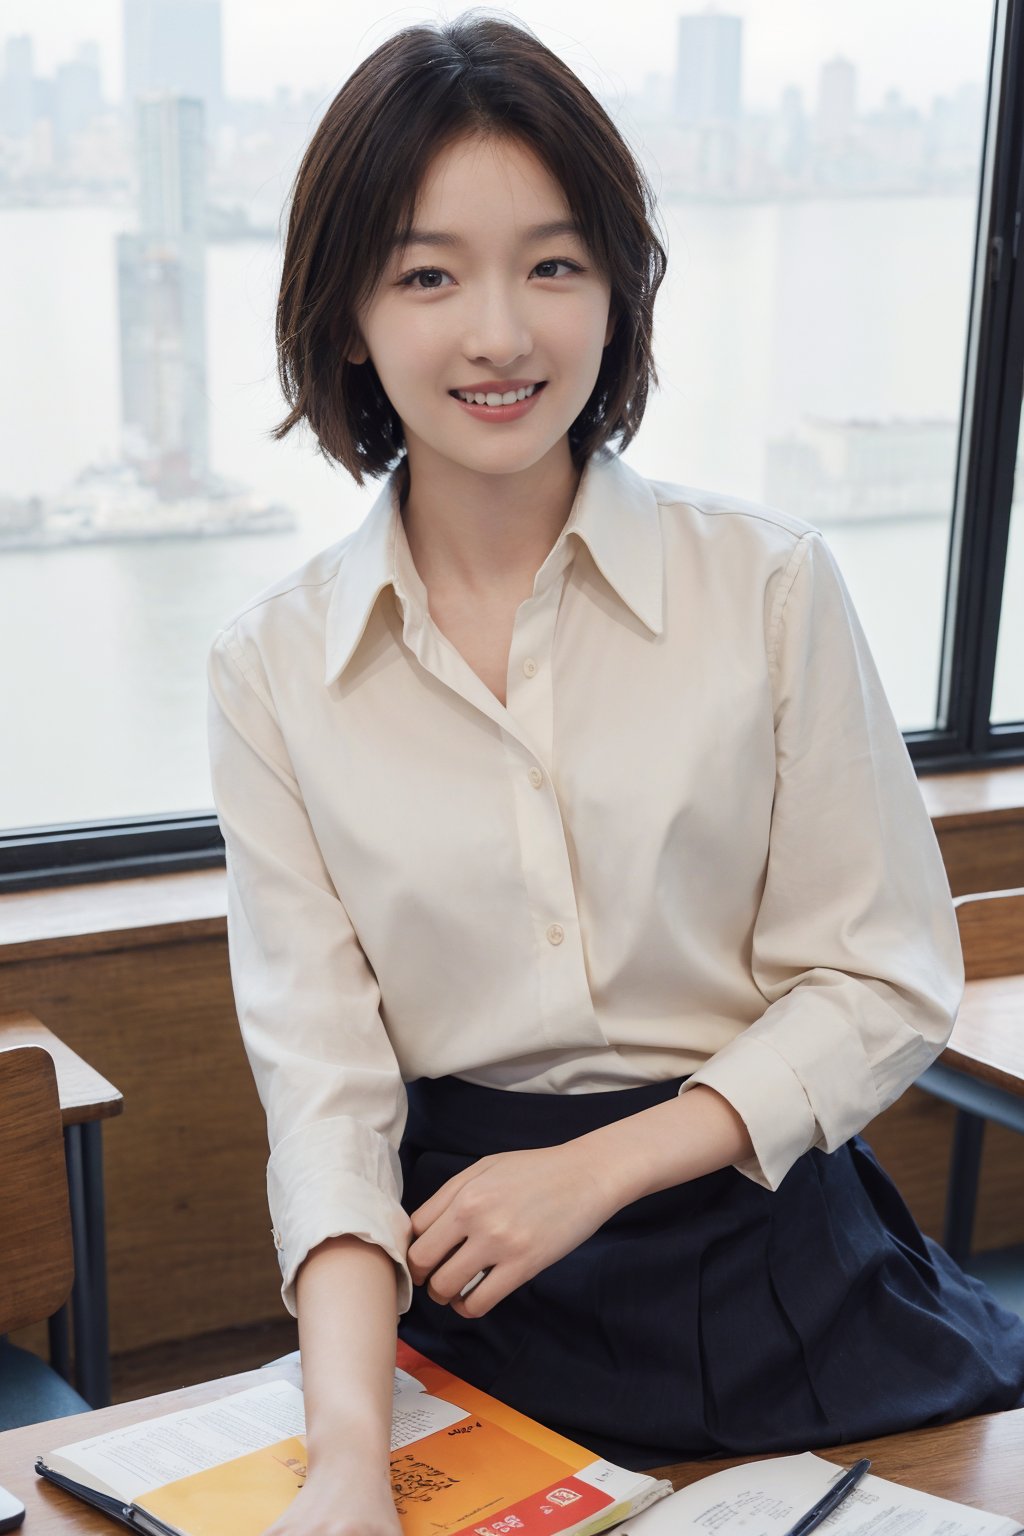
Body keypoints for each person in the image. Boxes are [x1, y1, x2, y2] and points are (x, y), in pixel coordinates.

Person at [205, 12, 1024, 1536]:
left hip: (786, 1260)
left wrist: (592, 1171)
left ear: (618, 292)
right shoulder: (271, 668)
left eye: (555, 264)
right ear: (348, 317)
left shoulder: (770, 586)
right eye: (428, 272)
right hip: (470, 1296)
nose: (500, 332)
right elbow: (328, 1105)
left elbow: (885, 980)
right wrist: (340, 1462)